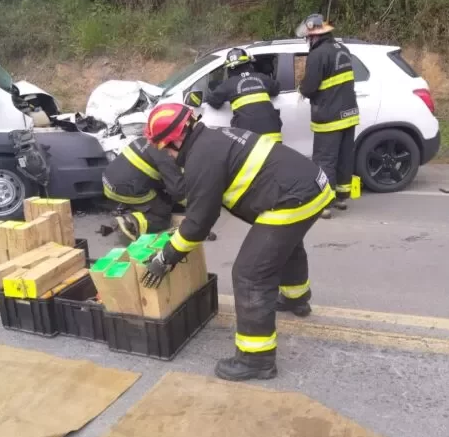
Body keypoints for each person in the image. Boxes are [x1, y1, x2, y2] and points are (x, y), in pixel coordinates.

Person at [140, 103, 333, 381]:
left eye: (165, 148)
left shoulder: (200, 158)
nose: (167, 155)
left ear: (177, 139)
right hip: (311, 185)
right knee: (284, 245)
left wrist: (165, 258)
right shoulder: (212, 137)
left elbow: (197, 224)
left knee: (250, 274)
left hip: (293, 196)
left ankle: (257, 359)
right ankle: (296, 299)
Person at [295, 13, 359, 219]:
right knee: (344, 157)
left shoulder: (318, 54)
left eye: (308, 36)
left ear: (314, 34)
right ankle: (341, 197)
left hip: (329, 115)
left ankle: (324, 203)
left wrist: (301, 90)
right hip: (348, 113)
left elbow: (311, 85)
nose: (307, 40)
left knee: (325, 160)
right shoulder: (343, 49)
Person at [101, 136, 185, 241]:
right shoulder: (167, 157)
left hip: (111, 178)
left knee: (167, 197)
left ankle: (137, 208)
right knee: (163, 216)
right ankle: (130, 223)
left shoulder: (153, 137)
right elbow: (178, 192)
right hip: (124, 189)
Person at [205, 48, 283, 142]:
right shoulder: (262, 78)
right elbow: (276, 89)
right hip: (273, 132)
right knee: (276, 156)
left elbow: (213, 100)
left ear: (230, 68)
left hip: (249, 136)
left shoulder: (228, 84)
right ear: (248, 63)